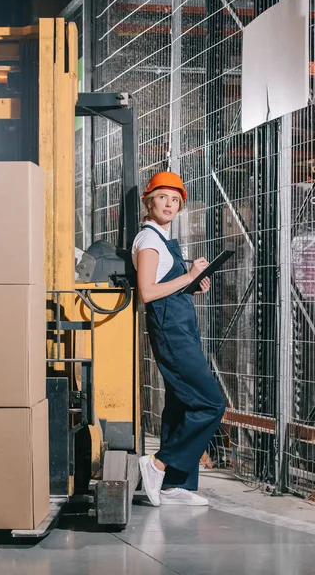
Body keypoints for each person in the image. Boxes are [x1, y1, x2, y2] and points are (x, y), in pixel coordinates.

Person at [132, 171, 225, 506]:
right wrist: (187, 275)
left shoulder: (163, 238)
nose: (169, 204)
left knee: (181, 404)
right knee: (211, 403)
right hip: (171, 333)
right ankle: (158, 463)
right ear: (149, 200)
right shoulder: (149, 241)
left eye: (175, 199)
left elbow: (167, 289)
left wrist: (193, 286)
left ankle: (175, 487)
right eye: (162, 197)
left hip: (182, 327)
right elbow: (147, 292)